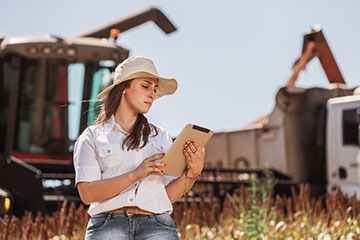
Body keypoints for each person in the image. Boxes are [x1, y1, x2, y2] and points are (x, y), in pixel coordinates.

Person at [73, 56, 205, 240]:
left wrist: (193, 173)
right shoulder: (92, 137)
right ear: (124, 88)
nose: (152, 94)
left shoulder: (162, 137)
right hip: (107, 225)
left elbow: (166, 196)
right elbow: (87, 194)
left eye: (154, 89)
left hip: (157, 225)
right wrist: (134, 174)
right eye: (145, 86)